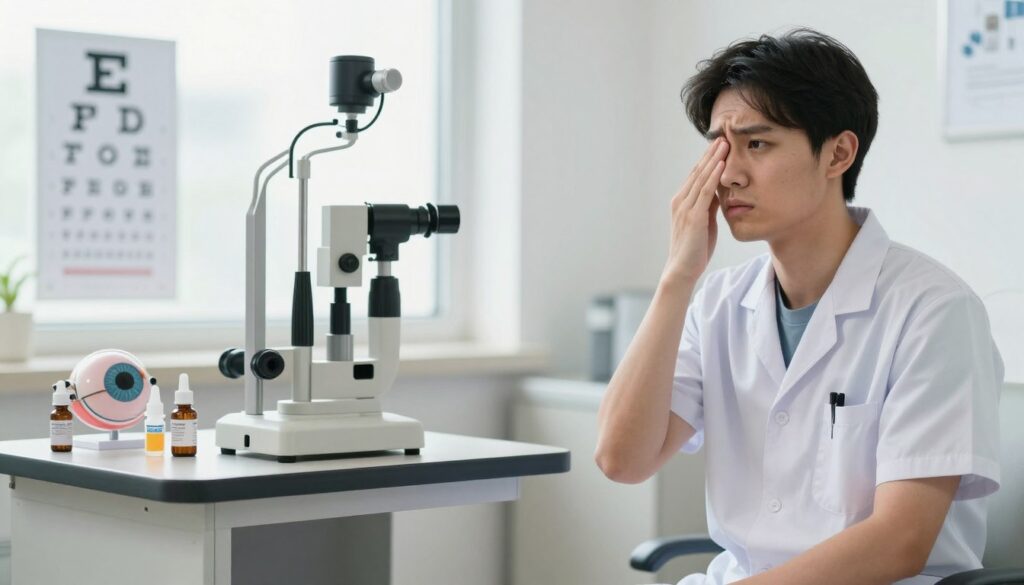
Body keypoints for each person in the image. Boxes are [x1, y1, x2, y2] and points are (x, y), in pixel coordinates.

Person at [594, 28, 1003, 585]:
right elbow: (621, 459)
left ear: (838, 153)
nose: (729, 174)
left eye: (757, 144)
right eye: (719, 146)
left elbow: (900, 543)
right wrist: (677, 277)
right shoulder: (715, 302)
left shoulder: (934, 310)